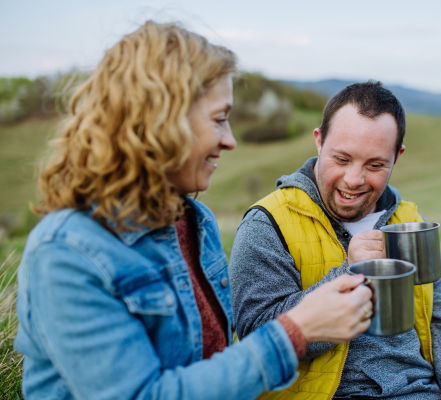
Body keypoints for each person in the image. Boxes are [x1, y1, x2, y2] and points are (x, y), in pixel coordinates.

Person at [14, 21, 375, 400]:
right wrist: (297, 329)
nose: (230, 140)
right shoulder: (66, 254)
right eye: (219, 119)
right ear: (160, 121)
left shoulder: (193, 221)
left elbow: (212, 367)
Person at [229, 81, 441, 399]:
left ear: (397, 157)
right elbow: (257, 338)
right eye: (341, 159)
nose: (353, 180)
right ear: (319, 141)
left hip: (416, 391)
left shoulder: (409, 223)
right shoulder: (267, 224)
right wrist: (349, 272)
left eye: (375, 165)